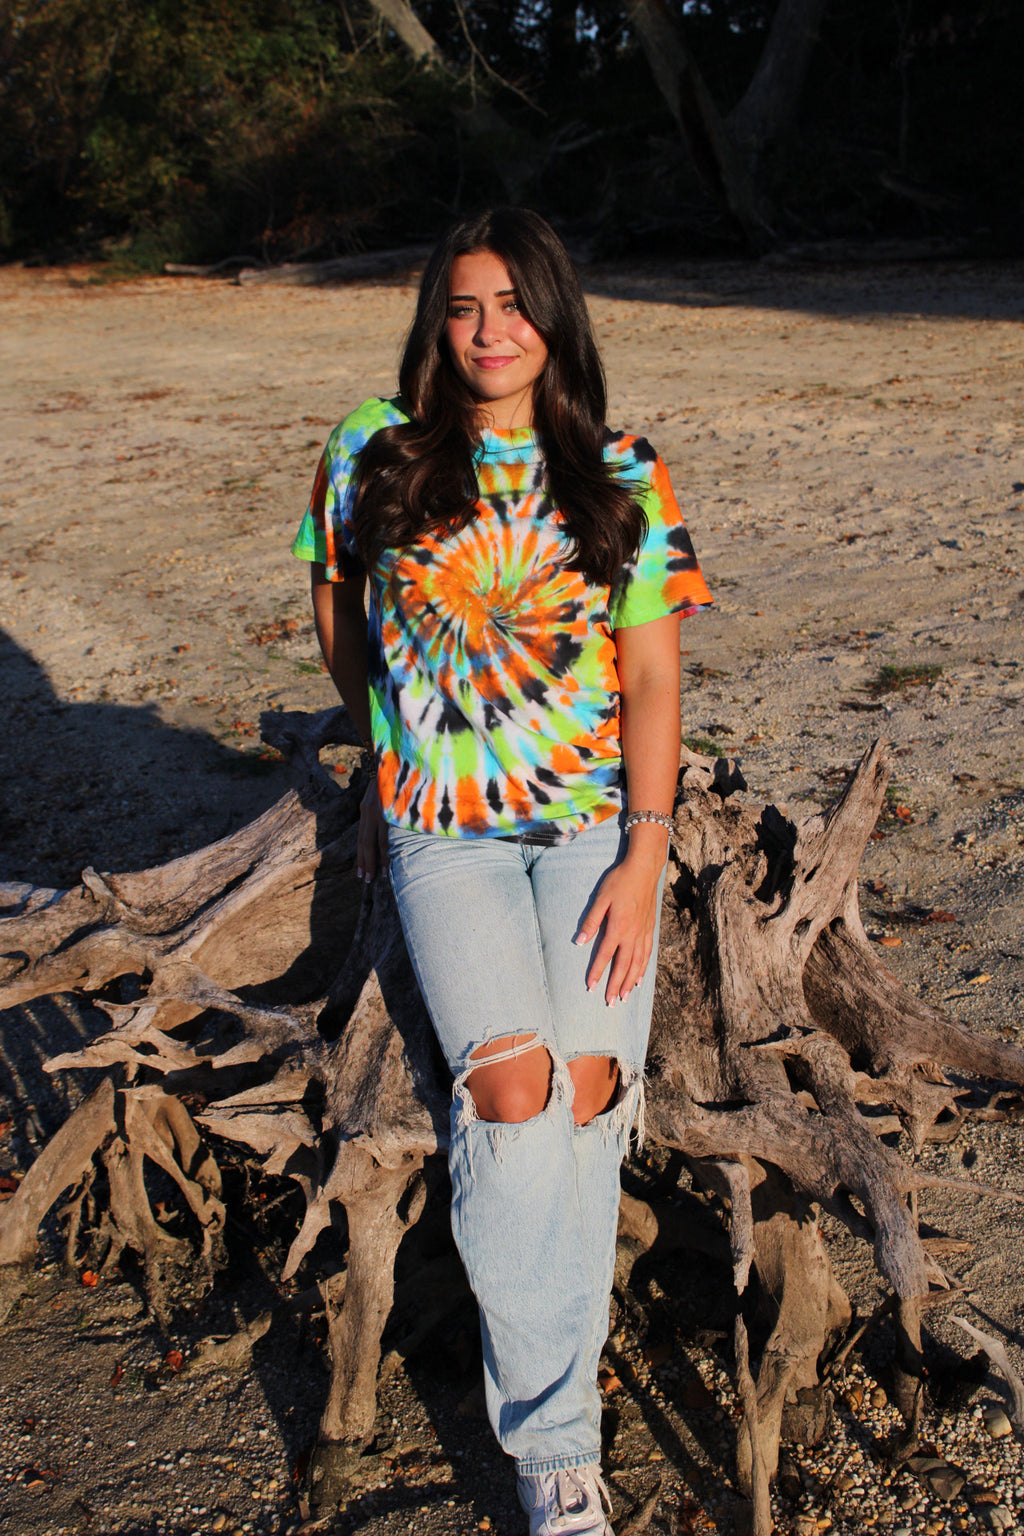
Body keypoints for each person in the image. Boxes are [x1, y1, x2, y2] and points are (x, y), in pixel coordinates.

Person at [292, 207, 712, 1536]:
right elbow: (334, 610)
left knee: (593, 1093)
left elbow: (653, 669)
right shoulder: (374, 448)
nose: (489, 331)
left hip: (597, 828)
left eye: (513, 304)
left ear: (554, 317)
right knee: (520, 1091)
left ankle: (553, 1430)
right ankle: (557, 1452)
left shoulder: (623, 469)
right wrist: (381, 754)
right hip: (444, 834)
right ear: (435, 320)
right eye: (465, 306)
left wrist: (646, 852)